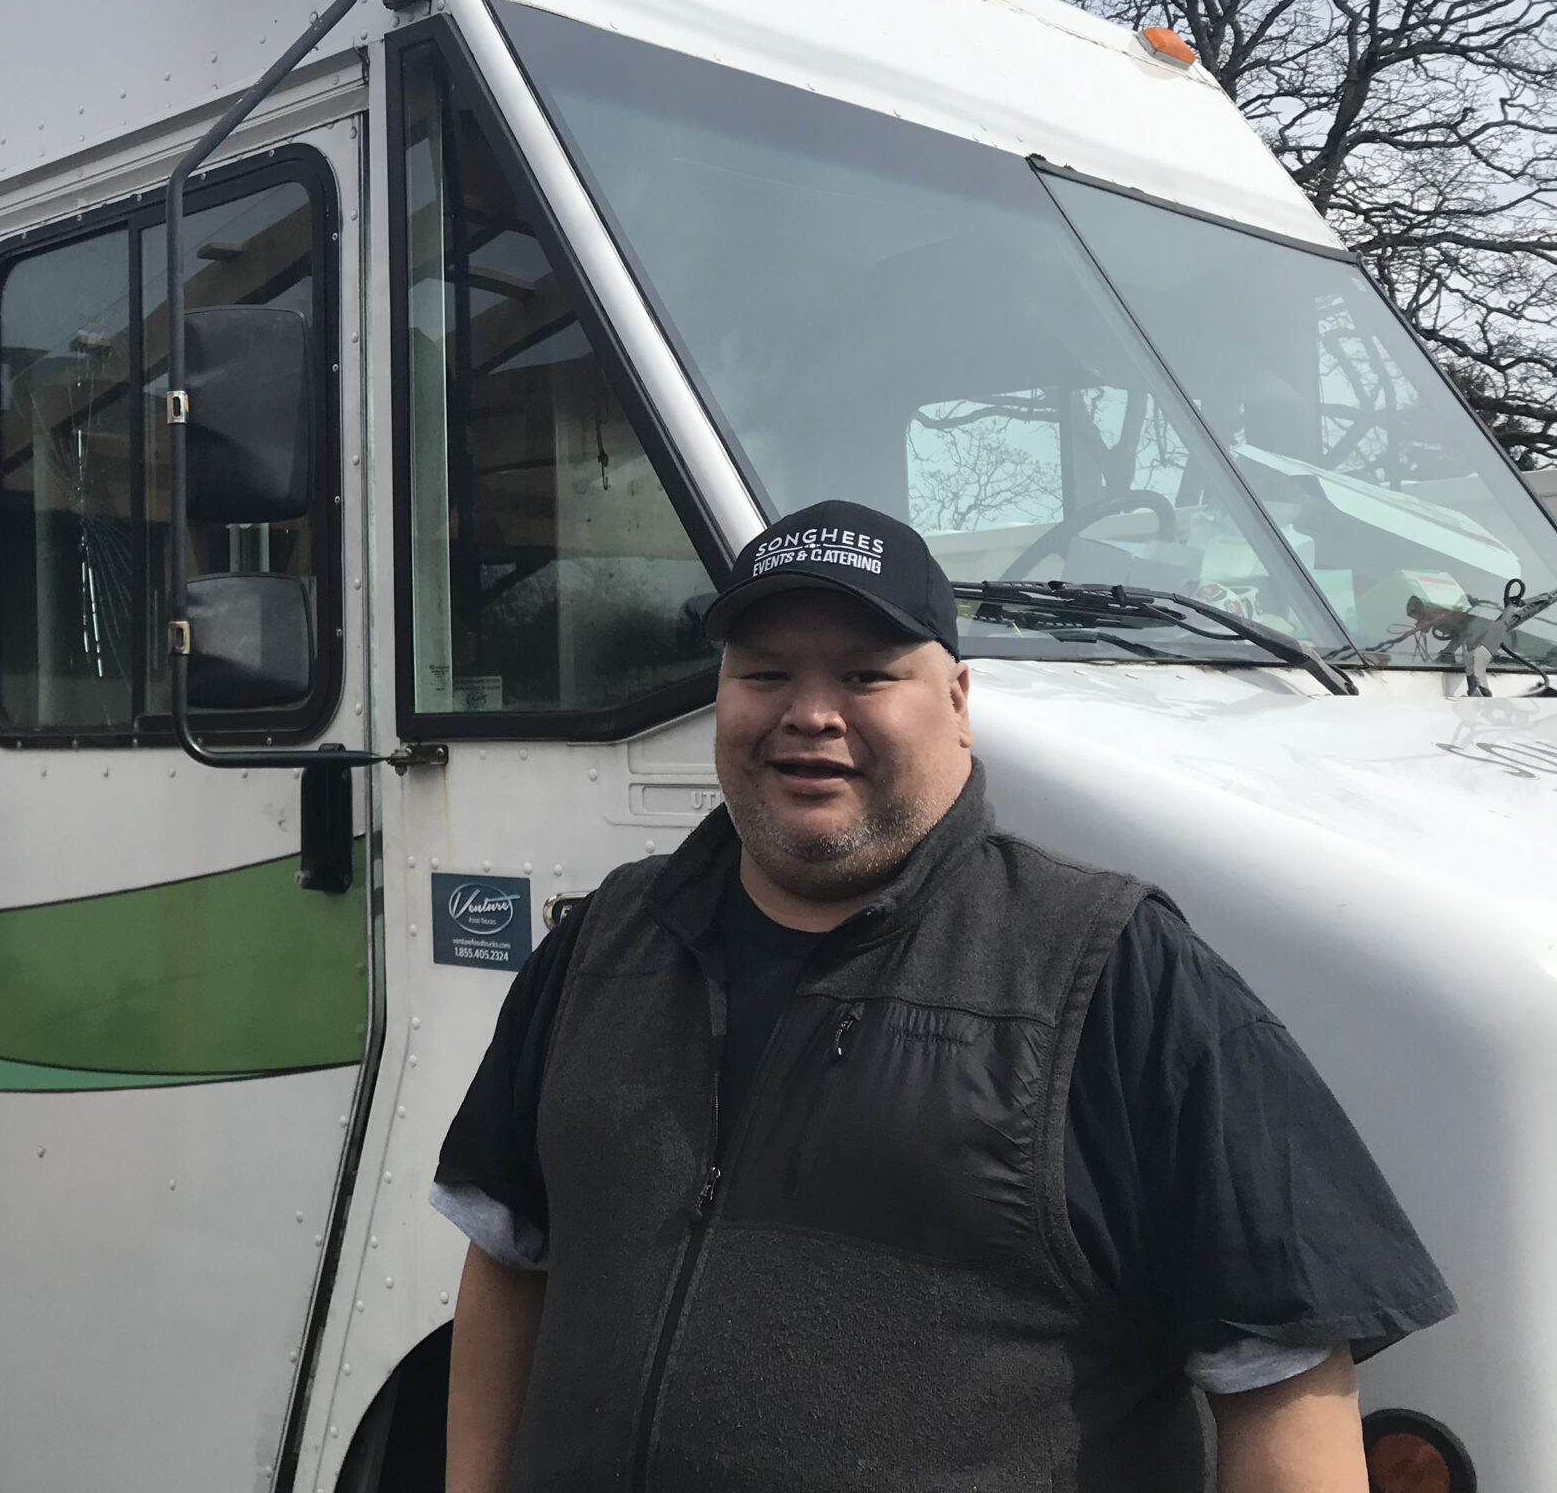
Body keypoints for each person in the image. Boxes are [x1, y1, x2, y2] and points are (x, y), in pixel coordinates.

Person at [433, 499, 1452, 1492]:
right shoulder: (606, 941)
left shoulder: (1114, 972)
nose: (809, 714)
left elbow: (1282, 1375)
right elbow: (511, 1254)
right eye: (765, 673)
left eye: (867, 675)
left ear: (957, 701)